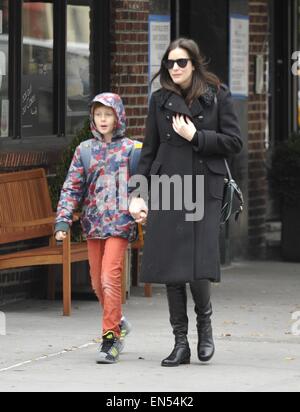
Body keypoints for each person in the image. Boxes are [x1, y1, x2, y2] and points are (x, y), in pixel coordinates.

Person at [130, 38, 243, 367]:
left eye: (181, 62)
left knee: (197, 265)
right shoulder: (159, 100)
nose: (175, 68)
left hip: (203, 188)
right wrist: (138, 193)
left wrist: (197, 137)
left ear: (194, 64)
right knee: (171, 267)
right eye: (170, 63)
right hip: (168, 188)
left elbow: (234, 142)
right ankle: (180, 342)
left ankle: (204, 327)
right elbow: (148, 151)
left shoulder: (216, 96)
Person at [55, 93, 137, 364]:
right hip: (93, 224)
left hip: (120, 224)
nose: (103, 119)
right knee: (96, 283)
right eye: (98, 114)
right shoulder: (85, 150)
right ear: (93, 118)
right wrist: (63, 220)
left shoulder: (131, 150)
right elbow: (71, 186)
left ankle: (110, 339)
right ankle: (119, 321)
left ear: (118, 117)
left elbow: (143, 183)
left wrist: (144, 209)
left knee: (109, 278)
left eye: (108, 114)